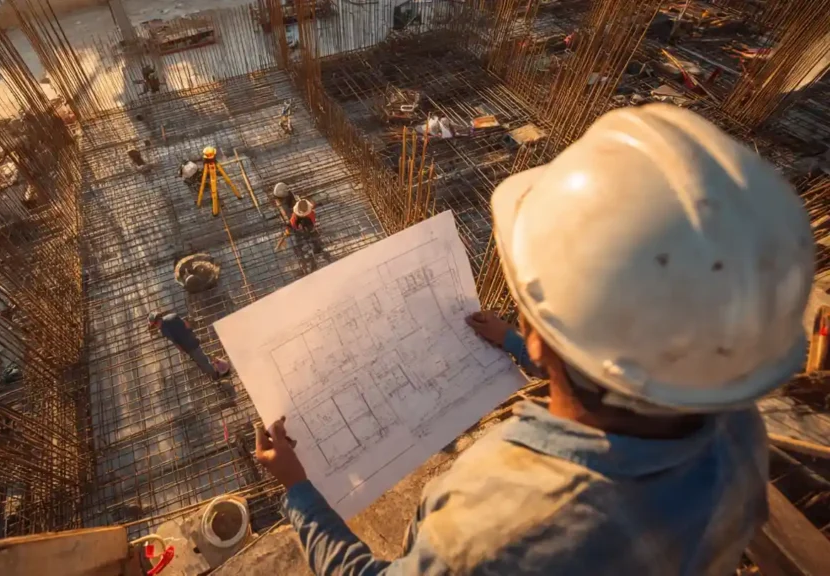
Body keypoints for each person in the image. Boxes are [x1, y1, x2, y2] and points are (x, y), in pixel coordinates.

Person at [254, 103, 815, 575]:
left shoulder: (496, 530)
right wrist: (520, 347)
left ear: (544, 339)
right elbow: (632, 380)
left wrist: (300, 490)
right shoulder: (738, 431)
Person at [148, 311, 230, 380]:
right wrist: (191, 332)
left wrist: (183, 352)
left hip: (189, 347)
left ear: (156, 322)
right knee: (203, 354)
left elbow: (175, 342)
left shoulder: (163, 329)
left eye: (154, 325)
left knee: (203, 363)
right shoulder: (172, 315)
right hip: (193, 339)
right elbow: (186, 323)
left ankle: (217, 376)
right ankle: (219, 365)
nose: (156, 326)